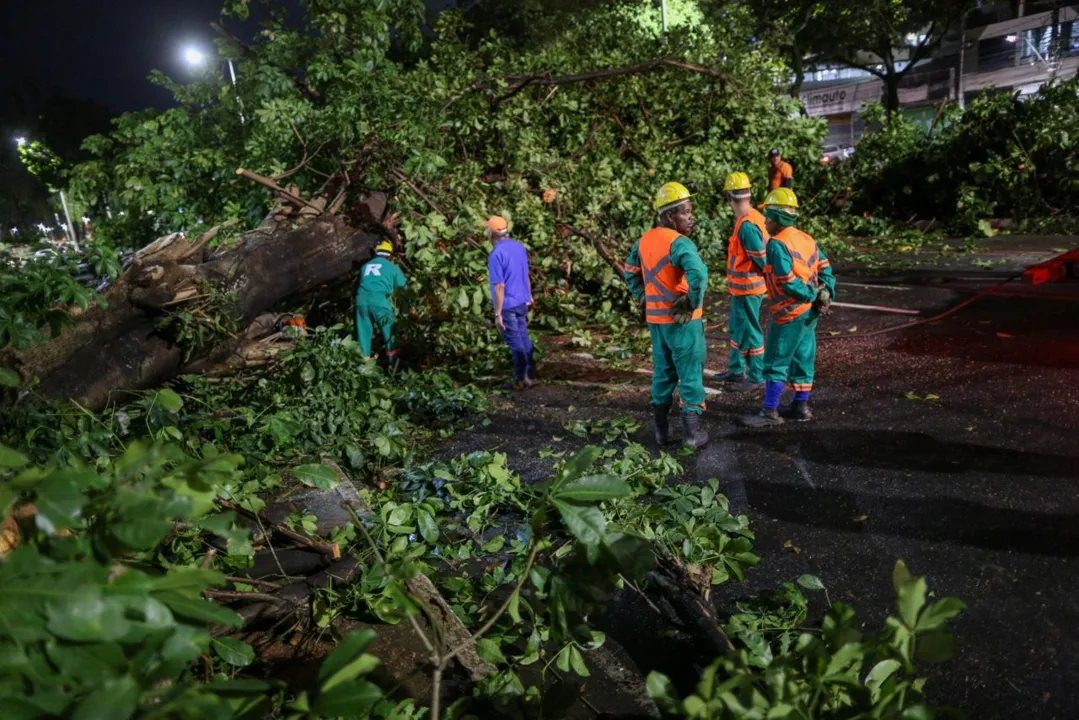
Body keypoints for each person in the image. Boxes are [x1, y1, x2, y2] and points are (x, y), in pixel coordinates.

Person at [624, 182, 709, 449]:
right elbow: (699, 274)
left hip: (657, 323)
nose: (690, 217)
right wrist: (691, 302)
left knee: (663, 373)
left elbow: (630, 272)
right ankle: (692, 434)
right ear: (671, 216)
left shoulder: (643, 241)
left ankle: (661, 432)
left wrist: (641, 297)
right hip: (683, 324)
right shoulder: (680, 243)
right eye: (685, 212)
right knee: (690, 374)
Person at [743, 188, 835, 428]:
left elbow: (786, 280)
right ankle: (800, 406)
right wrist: (824, 293)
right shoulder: (806, 239)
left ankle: (770, 411)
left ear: (779, 218)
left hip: (790, 313)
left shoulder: (776, 244)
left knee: (776, 359)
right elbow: (825, 267)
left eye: (769, 217)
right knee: (803, 356)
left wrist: (810, 295)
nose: (765, 222)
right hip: (810, 313)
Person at [719, 171, 768, 393]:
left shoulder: (747, 225)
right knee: (738, 328)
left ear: (729, 198)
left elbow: (762, 259)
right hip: (742, 290)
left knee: (750, 331)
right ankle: (736, 369)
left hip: (749, 289)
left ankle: (757, 375)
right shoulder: (750, 218)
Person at [486, 215, 536, 390]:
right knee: (523, 337)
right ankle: (528, 375)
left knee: (515, 342)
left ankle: (519, 379)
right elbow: (525, 274)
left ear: (490, 233)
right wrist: (529, 296)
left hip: (507, 304)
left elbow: (499, 286)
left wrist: (498, 314)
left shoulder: (496, 254)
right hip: (522, 300)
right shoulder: (519, 247)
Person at [355, 240, 407, 361]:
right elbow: (404, 291)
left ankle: (363, 370)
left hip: (360, 302)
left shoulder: (364, 267)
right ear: (390, 256)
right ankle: (393, 369)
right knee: (390, 336)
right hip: (379, 301)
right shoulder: (393, 268)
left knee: (363, 338)